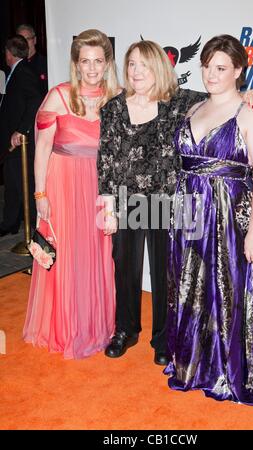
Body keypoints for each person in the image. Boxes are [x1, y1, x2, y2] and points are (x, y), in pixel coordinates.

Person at [98, 40, 253, 366]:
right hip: (127, 199)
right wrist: (108, 207)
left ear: (158, 67)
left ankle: (163, 339)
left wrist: (247, 95)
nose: (136, 71)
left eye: (144, 64)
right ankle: (125, 330)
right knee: (125, 270)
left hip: (168, 201)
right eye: (131, 64)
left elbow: (221, 98)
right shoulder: (114, 107)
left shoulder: (181, 102)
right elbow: (106, 159)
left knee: (165, 275)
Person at [164, 34, 253, 405]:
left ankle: (226, 369)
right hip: (189, 212)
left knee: (228, 291)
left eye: (221, 68)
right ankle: (193, 360)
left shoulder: (251, 112)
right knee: (191, 287)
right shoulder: (192, 109)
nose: (211, 74)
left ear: (239, 70)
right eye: (207, 66)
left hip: (229, 219)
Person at [23, 29, 118, 359]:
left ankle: (96, 325)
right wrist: (40, 195)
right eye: (85, 62)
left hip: (98, 187)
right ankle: (65, 327)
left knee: (96, 255)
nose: (92, 68)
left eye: (98, 61)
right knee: (67, 256)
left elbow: (161, 103)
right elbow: (42, 149)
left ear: (107, 63)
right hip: (62, 184)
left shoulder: (116, 96)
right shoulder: (59, 96)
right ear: (76, 64)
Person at [0, 35, 41, 237]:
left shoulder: (24, 72)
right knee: (12, 185)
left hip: (21, 142)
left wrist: (22, 130)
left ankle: (35, 229)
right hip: (11, 141)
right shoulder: (13, 72)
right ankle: (10, 223)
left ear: (9, 53)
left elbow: (35, 102)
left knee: (25, 186)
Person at [17, 24, 48, 97]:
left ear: (34, 40)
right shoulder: (15, 66)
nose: (24, 43)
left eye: (27, 39)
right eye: (21, 40)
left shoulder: (45, 64)